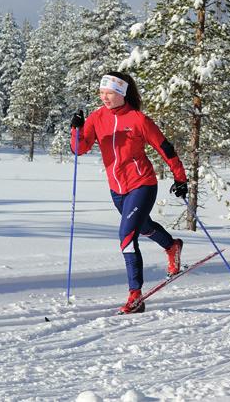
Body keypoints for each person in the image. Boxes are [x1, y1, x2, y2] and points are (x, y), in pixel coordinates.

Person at [70, 71, 188, 314]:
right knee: (143, 226)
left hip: (142, 184)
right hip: (117, 189)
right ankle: (172, 246)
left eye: (110, 93)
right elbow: (79, 149)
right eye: (102, 93)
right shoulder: (97, 118)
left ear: (122, 93)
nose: (105, 97)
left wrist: (180, 177)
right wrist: (76, 130)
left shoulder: (138, 119)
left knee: (126, 236)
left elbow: (164, 147)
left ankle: (136, 295)